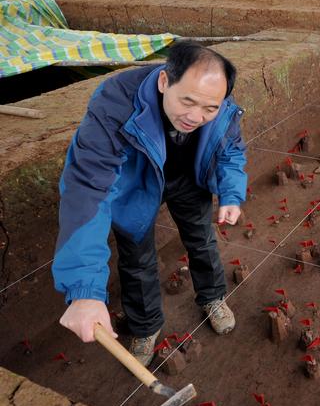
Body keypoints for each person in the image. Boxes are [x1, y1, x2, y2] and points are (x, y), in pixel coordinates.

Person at [53, 41, 247, 366]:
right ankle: (145, 326)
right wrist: (85, 289)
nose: (196, 117)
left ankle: (213, 297)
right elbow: (88, 189)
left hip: (188, 179)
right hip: (137, 185)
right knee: (137, 259)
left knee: (202, 240)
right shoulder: (114, 104)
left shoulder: (220, 104)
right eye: (187, 102)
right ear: (163, 82)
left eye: (209, 109)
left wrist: (231, 193)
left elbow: (230, 151)